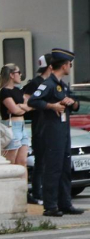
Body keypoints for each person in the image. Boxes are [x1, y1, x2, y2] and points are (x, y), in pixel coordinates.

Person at [29, 48, 84, 217]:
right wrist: (51, 106)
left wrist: (71, 102)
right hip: (51, 132)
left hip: (63, 130)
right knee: (52, 169)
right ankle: (50, 205)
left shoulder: (62, 85)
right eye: (69, 65)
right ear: (64, 65)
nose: (70, 67)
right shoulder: (48, 84)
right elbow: (33, 100)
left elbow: (75, 106)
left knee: (65, 168)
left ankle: (65, 203)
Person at [22, 54, 52, 204]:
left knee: (48, 162)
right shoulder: (35, 83)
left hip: (48, 126)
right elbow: (26, 102)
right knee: (40, 162)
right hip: (39, 126)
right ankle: (37, 192)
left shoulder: (50, 82)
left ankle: (46, 191)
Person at [0, 64, 30, 167]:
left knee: (22, 161)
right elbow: (15, 110)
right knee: (11, 162)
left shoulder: (18, 90)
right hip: (11, 126)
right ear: (12, 75)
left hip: (22, 126)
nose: (20, 75)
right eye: (19, 73)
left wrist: (20, 106)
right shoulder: (4, 91)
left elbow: (29, 106)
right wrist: (22, 108)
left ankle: (22, 183)